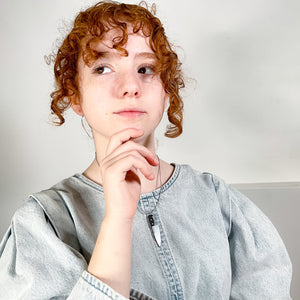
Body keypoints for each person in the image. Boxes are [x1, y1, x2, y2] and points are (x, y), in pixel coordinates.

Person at [0, 1, 292, 299]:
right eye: (102, 68)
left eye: (145, 68)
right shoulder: (43, 222)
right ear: (75, 96)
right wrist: (118, 219)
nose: (130, 86)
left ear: (166, 90)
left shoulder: (219, 202)